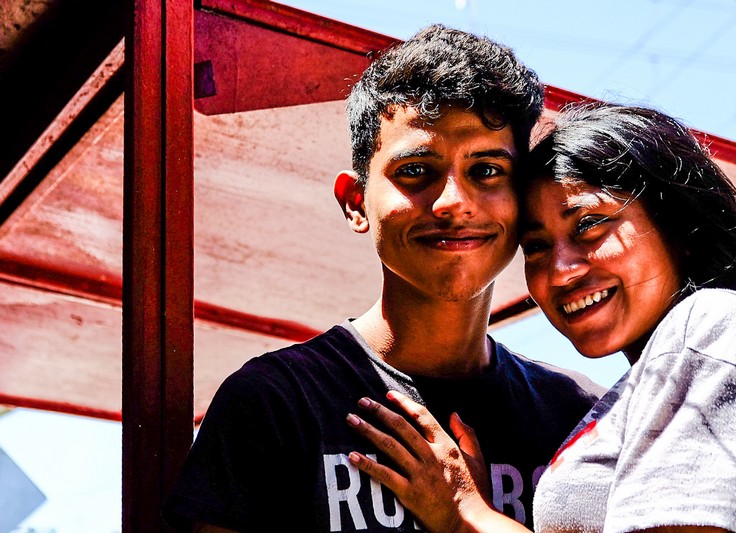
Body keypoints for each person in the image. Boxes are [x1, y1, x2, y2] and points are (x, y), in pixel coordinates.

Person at [163, 25, 605, 532]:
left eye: (486, 170)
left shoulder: (581, 417)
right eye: (415, 170)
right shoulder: (275, 402)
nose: (454, 203)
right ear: (356, 202)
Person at [346, 104, 736, 532]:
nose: (561, 271)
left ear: (680, 228)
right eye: (537, 247)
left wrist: (467, 514)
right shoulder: (642, 384)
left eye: (588, 225)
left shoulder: (719, 325)